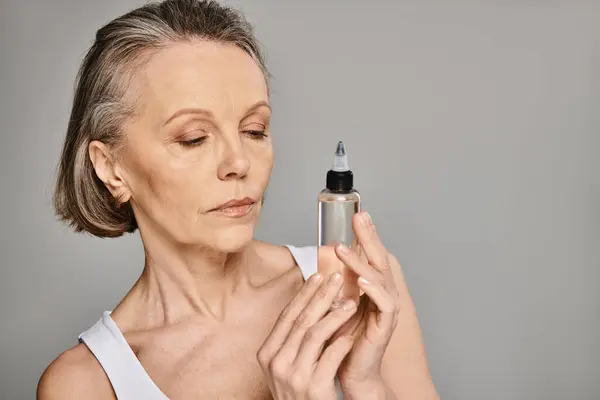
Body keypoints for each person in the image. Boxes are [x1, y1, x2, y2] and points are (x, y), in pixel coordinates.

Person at [36, 0, 440, 399]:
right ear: (110, 167)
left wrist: (364, 388)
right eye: (193, 138)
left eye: (254, 130)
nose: (239, 162)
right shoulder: (84, 384)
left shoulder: (363, 292)